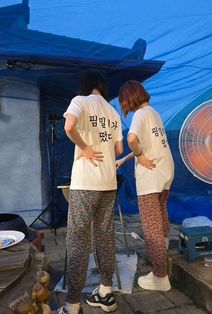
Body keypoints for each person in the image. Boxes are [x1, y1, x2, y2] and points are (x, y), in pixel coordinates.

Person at [58, 70, 123, 314]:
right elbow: (118, 149)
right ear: (103, 88)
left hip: (85, 182)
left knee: (78, 240)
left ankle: (72, 304)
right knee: (105, 236)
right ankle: (106, 292)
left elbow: (69, 126)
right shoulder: (113, 112)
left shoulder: (80, 101)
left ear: (86, 85)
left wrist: (85, 147)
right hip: (108, 182)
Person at [117, 80, 174, 291]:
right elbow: (146, 144)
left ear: (129, 98)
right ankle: (163, 251)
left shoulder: (140, 115)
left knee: (151, 229)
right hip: (165, 173)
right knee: (161, 217)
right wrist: (124, 160)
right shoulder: (154, 113)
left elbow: (132, 139)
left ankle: (160, 277)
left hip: (151, 178)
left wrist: (139, 156)